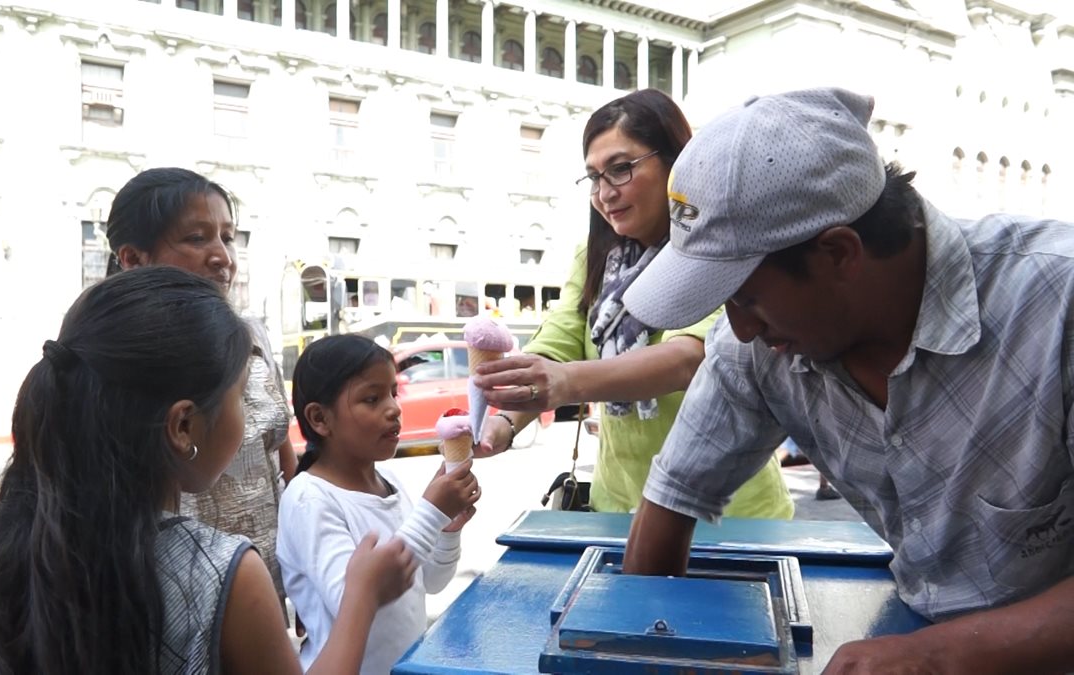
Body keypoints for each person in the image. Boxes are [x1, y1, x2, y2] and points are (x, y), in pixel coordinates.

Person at [621, 87, 1074, 673]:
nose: (740, 327)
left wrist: (932, 658)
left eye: (745, 297)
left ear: (838, 254)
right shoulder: (755, 350)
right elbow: (670, 502)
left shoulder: (1055, 306)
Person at [0, 266, 417, 674]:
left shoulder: (25, 543)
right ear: (184, 425)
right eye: (240, 396)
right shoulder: (227, 573)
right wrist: (361, 597)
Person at [0, 168, 296, 605]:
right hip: (162, 596)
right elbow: (76, 481)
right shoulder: (110, 348)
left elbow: (278, 453)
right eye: (197, 238)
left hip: (263, 582)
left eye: (228, 237)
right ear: (133, 257)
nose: (222, 257)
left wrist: (304, 571)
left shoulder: (250, 336)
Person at [472, 88, 792, 518]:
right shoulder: (594, 257)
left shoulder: (717, 247)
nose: (605, 193)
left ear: (677, 162)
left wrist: (567, 382)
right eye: (593, 177)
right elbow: (560, 338)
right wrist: (503, 420)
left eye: (620, 169)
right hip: (619, 507)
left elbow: (690, 358)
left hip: (730, 511)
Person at [277, 334, 481, 675]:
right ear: (319, 418)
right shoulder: (309, 500)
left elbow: (428, 582)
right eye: (372, 399)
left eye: (393, 393)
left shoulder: (388, 482)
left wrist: (446, 529)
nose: (394, 408)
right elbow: (354, 600)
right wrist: (430, 514)